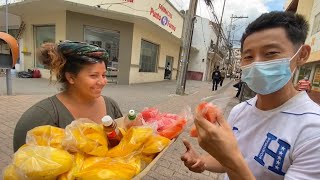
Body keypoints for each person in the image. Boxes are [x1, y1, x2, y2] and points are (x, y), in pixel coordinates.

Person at [181, 11, 320, 180]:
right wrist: (202, 161)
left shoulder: (313, 129)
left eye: (271, 53)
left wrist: (230, 157)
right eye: (248, 56)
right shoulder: (239, 111)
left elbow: (232, 160)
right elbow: (228, 163)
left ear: (302, 55)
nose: (257, 64)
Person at [13, 41, 123, 152]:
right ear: (71, 77)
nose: (103, 81)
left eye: (104, 75)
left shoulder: (111, 105)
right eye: (94, 75)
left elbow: (123, 144)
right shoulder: (43, 116)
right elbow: (24, 161)